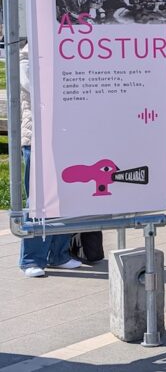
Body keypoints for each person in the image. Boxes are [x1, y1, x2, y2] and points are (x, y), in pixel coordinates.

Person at [18, 43, 82, 277]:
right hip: (37, 139)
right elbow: (34, 88)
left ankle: (59, 254)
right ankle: (31, 259)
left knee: (67, 197)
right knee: (39, 201)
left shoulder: (63, 52)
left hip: (65, 137)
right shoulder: (26, 57)